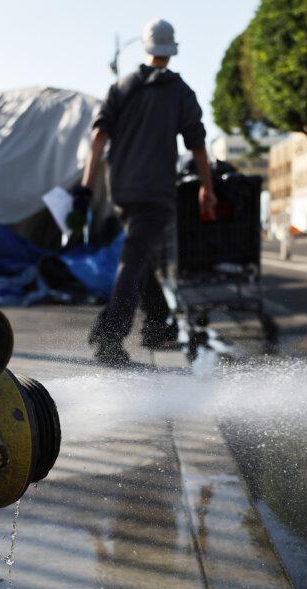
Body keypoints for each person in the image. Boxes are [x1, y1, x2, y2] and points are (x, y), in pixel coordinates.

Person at [74, 17, 217, 366]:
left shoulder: (121, 87)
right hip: (156, 192)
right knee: (134, 259)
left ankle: (156, 324)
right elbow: (198, 145)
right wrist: (207, 188)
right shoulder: (180, 92)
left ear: (146, 46)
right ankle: (109, 337)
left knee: (143, 255)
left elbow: (98, 137)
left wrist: (87, 186)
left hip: (123, 190)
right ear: (171, 50)